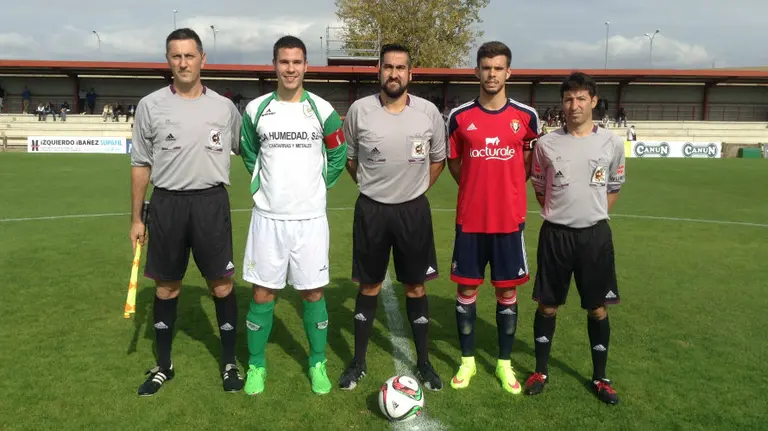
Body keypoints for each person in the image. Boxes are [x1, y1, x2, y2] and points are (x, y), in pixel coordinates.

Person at [130, 28, 243, 396]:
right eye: (176, 56)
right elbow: (140, 164)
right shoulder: (150, 106)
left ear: (202, 59)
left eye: (189, 55)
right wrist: (136, 218)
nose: (183, 62)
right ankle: (164, 366)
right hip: (167, 204)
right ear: (168, 61)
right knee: (166, 287)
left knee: (221, 285)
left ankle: (229, 362)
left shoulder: (225, 108)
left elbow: (249, 150)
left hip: (211, 203)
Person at [239, 35, 347, 396]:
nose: (290, 69)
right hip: (268, 218)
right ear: (274, 65)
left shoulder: (322, 109)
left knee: (312, 293)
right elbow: (249, 152)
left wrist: (319, 186)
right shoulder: (256, 109)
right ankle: (256, 365)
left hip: (310, 220)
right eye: (284, 62)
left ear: (306, 66)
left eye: (296, 62)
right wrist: (261, 184)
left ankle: (317, 362)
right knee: (262, 293)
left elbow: (338, 153)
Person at [339, 43, 446, 392]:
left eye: (401, 67)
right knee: (368, 285)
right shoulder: (359, 111)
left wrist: (415, 189)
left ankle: (424, 362)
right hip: (371, 210)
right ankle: (358, 362)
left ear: (410, 73)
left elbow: (438, 160)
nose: (394, 73)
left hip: (413, 211)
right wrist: (372, 187)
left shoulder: (428, 112)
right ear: (379, 71)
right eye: (388, 67)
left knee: (415, 285)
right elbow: (350, 159)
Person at [445, 41, 541, 394]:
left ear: (508, 72)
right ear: (477, 71)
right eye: (486, 67)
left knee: (507, 292)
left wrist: (508, 188)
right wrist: (476, 187)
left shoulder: (526, 117)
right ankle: (467, 361)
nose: (492, 74)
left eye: (498, 68)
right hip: (471, 220)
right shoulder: (459, 117)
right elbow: (455, 163)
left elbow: (530, 163)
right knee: (466, 288)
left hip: (508, 221)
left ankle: (504, 363)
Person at [525, 71, 625, 405]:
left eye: (581, 98)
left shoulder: (611, 143)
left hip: (595, 237)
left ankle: (601, 377)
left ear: (593, 102)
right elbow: (540, 188)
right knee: (548, 305)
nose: (574, 105)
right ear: (562, 104)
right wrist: (564, 214)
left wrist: (590, 214)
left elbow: (614, 187)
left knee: (597, 308)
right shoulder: (546, 144)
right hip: (556, 235)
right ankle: (540, 371)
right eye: (568, 99)